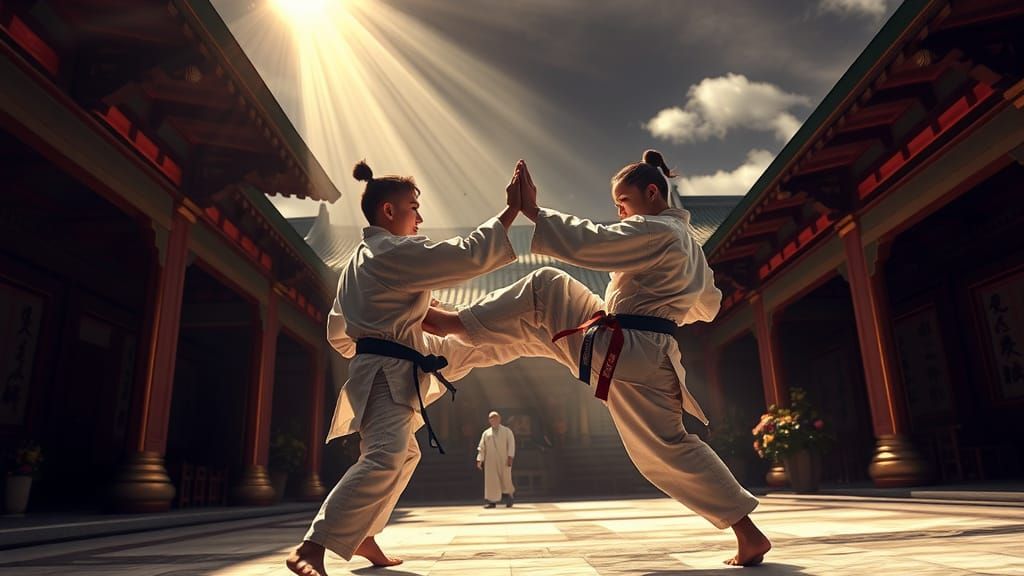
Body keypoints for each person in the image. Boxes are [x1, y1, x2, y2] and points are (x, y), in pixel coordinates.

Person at [424, 151, 771, 567]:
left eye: (623, 201)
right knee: (669, 445)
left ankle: (450, 326)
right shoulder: (688, 246)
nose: (619, 211)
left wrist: (533, 211)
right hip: (650, 353)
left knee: (545, 286)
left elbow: (597, 243)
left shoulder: (657, 231)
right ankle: (748, 534)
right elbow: (707, 306)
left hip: (624, 346)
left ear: (652, 192)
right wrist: (661, 304)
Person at [287, 160, 531, 576]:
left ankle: (363, 534)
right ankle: (312, 546)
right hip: (386, 370)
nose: (420, 216)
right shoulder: (391, 252)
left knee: (404, 454)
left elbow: (337, 332)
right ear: (388, 211)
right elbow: (466, 255)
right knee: (385, 456)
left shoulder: (361, 260)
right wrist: (512, 211)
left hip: (379, 365)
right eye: (414, 207)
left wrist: (382, 339)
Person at [477, 410, 516, 508]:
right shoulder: (486, 433)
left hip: (504, 459)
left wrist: (510, 456)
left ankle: (509, 498)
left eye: (495, 418)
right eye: (491, 418)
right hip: (490, 460)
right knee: (492, 480)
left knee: (506, 479)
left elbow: (511, 444)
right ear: (489, 420)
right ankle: (491, 501)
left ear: (499, 419)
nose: (493, 420)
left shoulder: (507, 431)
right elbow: (482, 447)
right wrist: (479, 460)